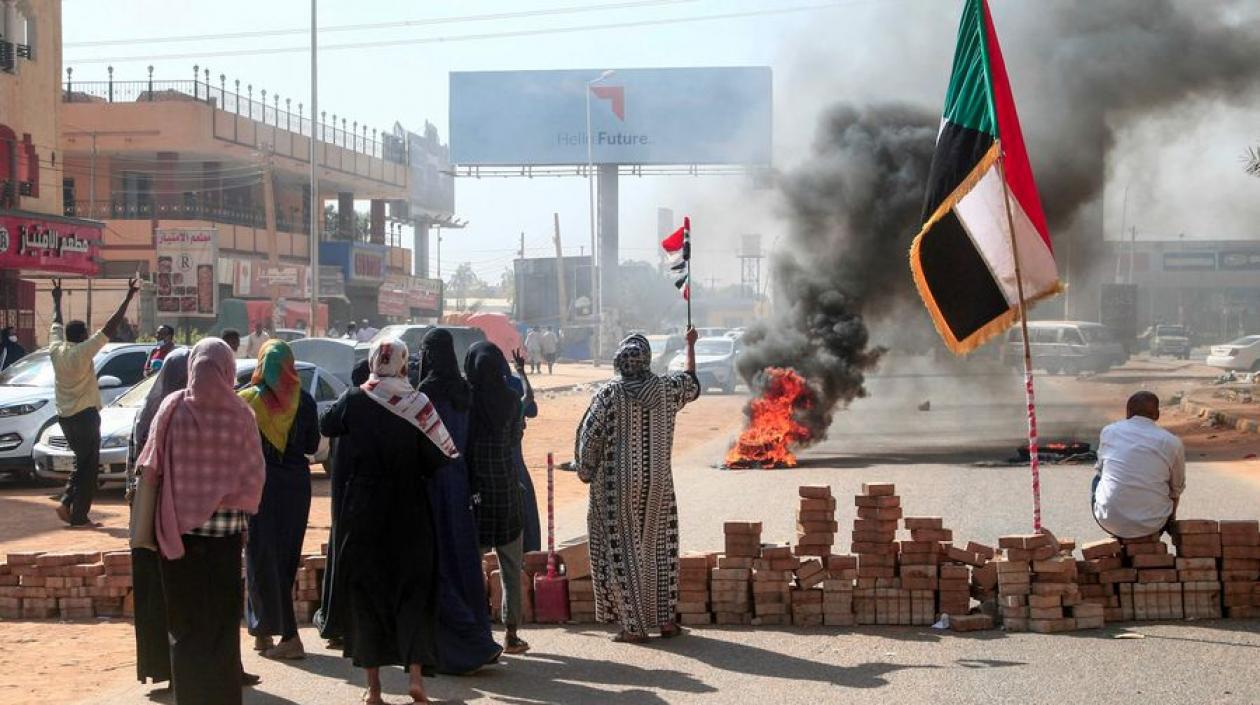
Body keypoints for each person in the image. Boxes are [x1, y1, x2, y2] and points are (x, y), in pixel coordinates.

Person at [320, 338, 458, 704]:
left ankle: (375, 689)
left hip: (363, 507)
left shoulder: (355, 398)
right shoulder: (417, 403)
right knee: (413, 589)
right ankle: (416, 679)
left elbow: (327, 423)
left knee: (367, 591)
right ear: (402, 364)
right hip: (409, 507)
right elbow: (440, 458)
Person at [136, 338, 266, 705]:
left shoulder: (172, 407)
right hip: (225, 541)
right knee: (223, 627)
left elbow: (150, 465)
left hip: (177, 538)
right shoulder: (242, 413)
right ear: (227, 369)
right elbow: (255, 475)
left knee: (185, 626)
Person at [576, 329, 700, 642]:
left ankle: (634, 627)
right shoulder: (668, 388)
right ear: (646, 359)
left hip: (616, 486)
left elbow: (590, 438)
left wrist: (585, 470)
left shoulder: (608, 395)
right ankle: (666, 621)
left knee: (623, 552)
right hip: (659, 482)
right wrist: (690, 345)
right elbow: (693, 384)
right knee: (659, 549)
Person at [416, 329, 502, 674]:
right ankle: (478, 634)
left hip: (433, 485)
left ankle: (464, 646)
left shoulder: (424, 395)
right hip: (461, 483)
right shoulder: (465, 392)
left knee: (439, 565)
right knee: (464, 561)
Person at [240, 339, 321, 660]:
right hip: (296, 488)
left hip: (260, 485)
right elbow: (313, 445)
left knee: (259, 556)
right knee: (285, 559)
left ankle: (284, 635)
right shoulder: (306, 401)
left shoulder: (247, 401)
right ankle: (264, 631)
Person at [50, 277, 140, 528]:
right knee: (89, 466)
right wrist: (128, 296)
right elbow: (110, 327)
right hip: (86, 416)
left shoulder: (56, 349)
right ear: (82, 336)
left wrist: (56, 299)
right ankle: (74, 510)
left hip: (65, 417)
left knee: (83, 461)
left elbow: (55, 323)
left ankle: (70, 505)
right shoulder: (83, 351)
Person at [464, 342, 530, 655]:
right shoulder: (511, 400)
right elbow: (517, 434)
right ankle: (512, 633)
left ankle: (477, 630)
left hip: (476, 493)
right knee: (510, 568)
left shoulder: (467, 401)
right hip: (507, 490)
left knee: (472, 565)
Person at [313, 359, 370, 649]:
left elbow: (325, 426)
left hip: (346, 502)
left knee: (343, 558)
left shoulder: (347, 406)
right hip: (370, 502)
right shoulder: (379, 407)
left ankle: (337, 622)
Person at [1092, 391, 1186, 539]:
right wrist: (1170, 519)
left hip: (1108, 520)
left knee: (1099, 476)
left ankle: (1119, 532)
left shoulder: (1109, 431)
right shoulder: (1172, 442)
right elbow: (1177, 488)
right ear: (1157, 415)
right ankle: (1160, 528)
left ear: (1128, 412)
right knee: (1171, 483)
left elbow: (1102, 470)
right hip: (1154, 523)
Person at [506, 350, 541, 554]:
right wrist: (521, 372)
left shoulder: (476, 397)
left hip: (489, 472)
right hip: (516, 467)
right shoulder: (513, 406)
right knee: (525, 513)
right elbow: (530, 402)